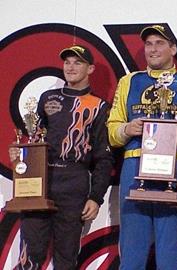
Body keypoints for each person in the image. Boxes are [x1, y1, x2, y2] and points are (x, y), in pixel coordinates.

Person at [107, 25, 177, 269]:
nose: (153, 49)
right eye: (149, 44)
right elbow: (112, 132)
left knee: (170, 254)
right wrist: (127, 129)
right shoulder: (129, 81)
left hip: (173, 172)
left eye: (160, 43)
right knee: (132, 252)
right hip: (133, 168)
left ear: (173, 49)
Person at [10, 45, 113, 270]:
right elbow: (35, 140)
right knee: (30, 254)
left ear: (91, 68)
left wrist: (95, 197)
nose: (71, 67)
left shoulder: (99, 107)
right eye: (67, 62)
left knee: (66, 257)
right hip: (41, 181)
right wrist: (20, 153)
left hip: (74, 182)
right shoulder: (48, 98)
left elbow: (104, 159)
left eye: (77, 62)